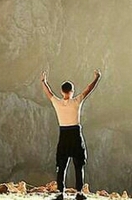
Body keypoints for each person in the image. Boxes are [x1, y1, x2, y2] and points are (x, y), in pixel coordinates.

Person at [41, 69, 102, 200]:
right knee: (78, 165)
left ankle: (60, 193)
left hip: (63, 135)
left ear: (62, 92)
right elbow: (88, 89)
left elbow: (49, 93)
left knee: (61, 165)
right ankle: (79, 193)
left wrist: (43, 82)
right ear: (72, 91)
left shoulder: (57, 102)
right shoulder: (76, 101)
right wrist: (97, 77)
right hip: (75, 135)